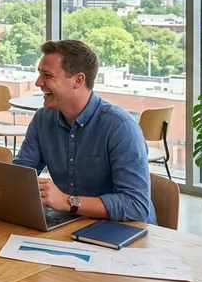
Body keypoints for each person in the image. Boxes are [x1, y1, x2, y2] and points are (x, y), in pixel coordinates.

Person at [12, 40, 156, 223]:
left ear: (78, 80)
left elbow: (136, 206)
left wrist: (67, 202)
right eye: (39, 74)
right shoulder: (43, 119)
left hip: (125, 231)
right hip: (71, 224)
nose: (38, 82)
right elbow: (20, 175)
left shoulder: (120, 127)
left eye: (47, 75)